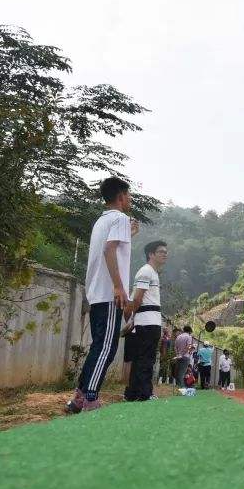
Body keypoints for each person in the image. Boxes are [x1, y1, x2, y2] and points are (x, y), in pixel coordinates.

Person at [65, 177, 138, 413]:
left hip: (97, 292)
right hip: (109, 294)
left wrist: (130, 235)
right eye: (128, 195)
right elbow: (110, 251)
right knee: (106, 348)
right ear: (120, 196)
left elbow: (112, 250)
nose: (130, 199)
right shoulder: (119, 218)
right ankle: (90, 399)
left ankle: (79, 397)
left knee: (100, 346)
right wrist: (119, 287)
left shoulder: (102, 221)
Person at [123, 240, 167, 402]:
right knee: (145, 359)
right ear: (151, 254)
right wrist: (132, 319)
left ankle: (132, 393)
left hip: (150, 321)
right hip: (146, 322)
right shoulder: (146, 271)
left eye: (165, 251)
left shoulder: (152, 273)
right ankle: (145, 393)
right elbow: (137, 298)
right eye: (161, 251)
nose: (164, 254)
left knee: (141, 357)